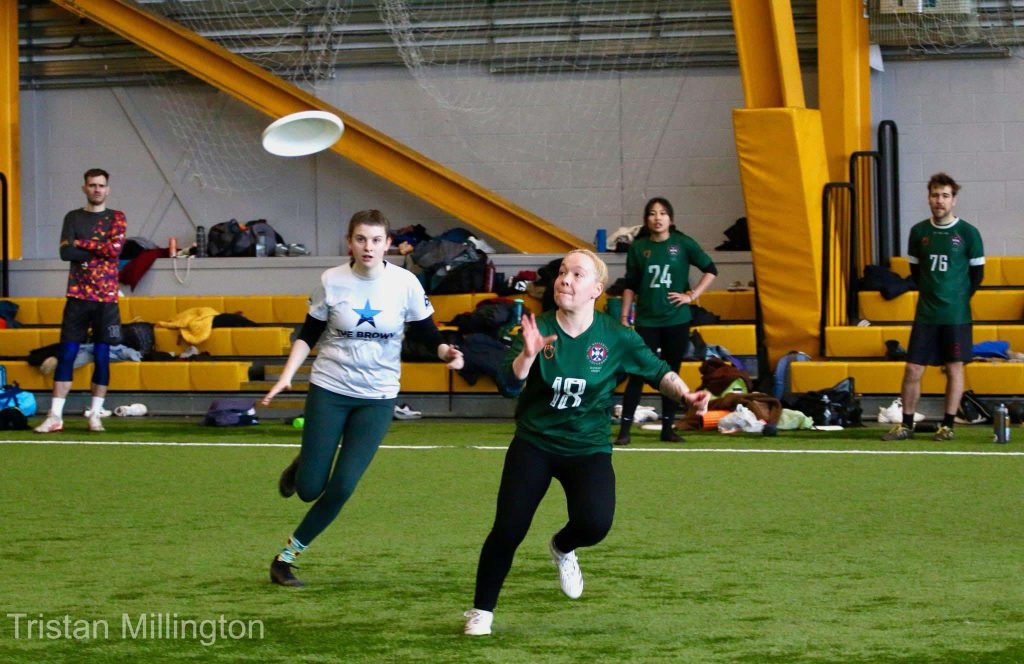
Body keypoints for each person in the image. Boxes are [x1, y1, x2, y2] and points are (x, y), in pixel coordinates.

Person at [463, 249, 709, 636]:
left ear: (597, 289)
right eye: (562, 272)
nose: (565, 280)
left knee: (595, 524)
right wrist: (527, 357)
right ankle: (481, 611)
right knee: (509, 529)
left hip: (587, 446)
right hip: (536, 442)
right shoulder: (536, 328)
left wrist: (687, 396)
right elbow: (508, 386)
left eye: (577, 274)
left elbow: (658, 371)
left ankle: (562, 547)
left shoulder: (616, 336)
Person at [262, 209, 463, 587]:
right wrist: (286, 377)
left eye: (375, 240)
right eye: (360, 239)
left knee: (342, 486)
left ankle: (285, 559)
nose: (367, 247)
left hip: (378, 397)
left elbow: (428, 333)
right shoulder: (331, 281)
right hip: (330, 389)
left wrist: (446, 353)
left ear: (387, 244)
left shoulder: (405, 283)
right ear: (349, 242)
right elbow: (307, 334)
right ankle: (304, 464)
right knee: (308, 490)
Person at [882, 173, 985, 442]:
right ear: (929, 197)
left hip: (956, 316)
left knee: (953, 369)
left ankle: (948, 425)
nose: (939, 200)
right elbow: (915, 273)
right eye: (935, 195)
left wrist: (957, 298)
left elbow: (977, 276)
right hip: (926, 315)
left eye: (945, 195)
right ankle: (906, 425)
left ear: (954, 200)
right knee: (913, 369)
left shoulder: (968, 233)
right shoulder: (919, 232)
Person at [615, 197, 717, 445]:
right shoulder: (638, 248)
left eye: (662, 213)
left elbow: (711, 269)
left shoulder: (683, 244)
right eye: (652, 213)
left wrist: (691, 295)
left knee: (672, 373)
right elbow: (630, 285)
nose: (657, 217)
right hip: (646, 321)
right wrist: (624, 315)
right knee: (637, 372)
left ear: (670, 218)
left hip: (676, 320)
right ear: (646, 219)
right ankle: (624, 430)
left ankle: (668, 428)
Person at [35, 168, 126, 434]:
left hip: (106, 298)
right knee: (67, 354)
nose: (97, 189)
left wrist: (83, 247)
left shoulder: (117, 218)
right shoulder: (73, 217)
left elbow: (115, 250)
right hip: (77, 297)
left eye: (101, 185)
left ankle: (95, 414)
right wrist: (92, 254)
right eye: (92, 185)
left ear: (107, 189)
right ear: (84, 188)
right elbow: (66, 252)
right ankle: (55, 416)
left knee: (102, 355)